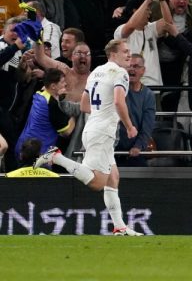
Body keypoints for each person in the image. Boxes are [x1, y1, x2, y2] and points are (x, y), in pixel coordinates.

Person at [33, 39, 144, 236]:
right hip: (102, 133)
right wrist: (129, 126)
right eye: (125, 51)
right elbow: (119, 102)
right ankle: (56, 157)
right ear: (113, 54)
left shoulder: (96, 72)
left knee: (113, 178)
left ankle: (120, 227)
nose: (129, 55)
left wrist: (101, 114)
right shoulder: (120, 73)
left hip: (93, 127)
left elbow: (84, 105)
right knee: (97, 183)